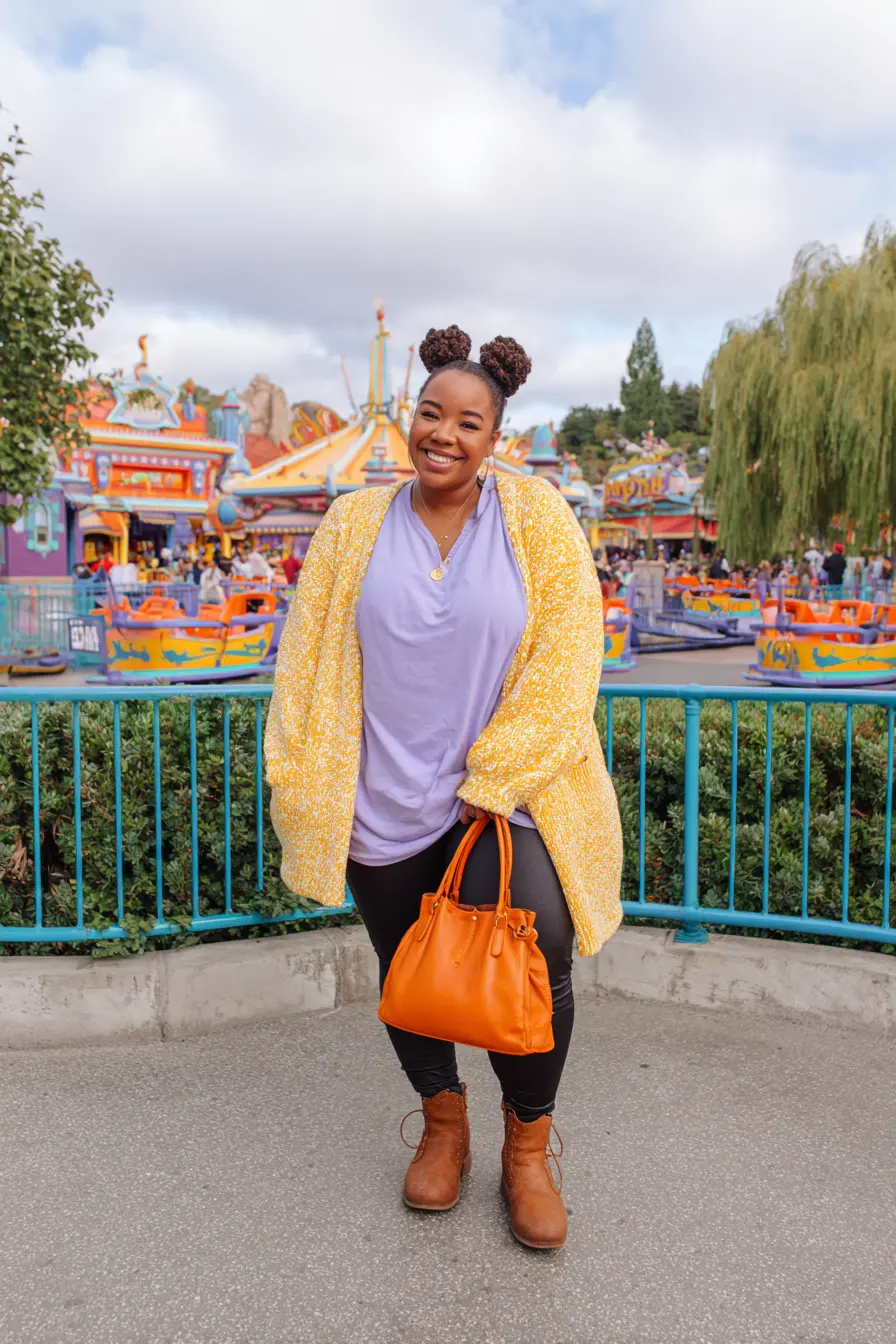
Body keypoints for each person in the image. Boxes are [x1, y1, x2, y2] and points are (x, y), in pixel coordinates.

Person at [266, 325, 623, 1251]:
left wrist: (497, 773)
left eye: (469, 422)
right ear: (410, 421)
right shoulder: (353, 523)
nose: (444, 435)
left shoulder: (537, 517)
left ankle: (529, 1150)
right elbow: (305, 660)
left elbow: (569, 653)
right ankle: (443, 1124)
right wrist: (300, 774)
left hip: (505, 797)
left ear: (494, 437)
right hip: (377, 797)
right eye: (432, 414)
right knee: (409, 975)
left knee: (536, 955)